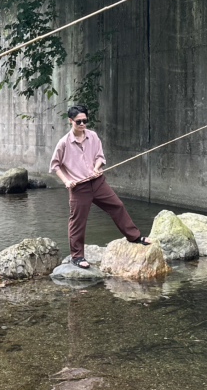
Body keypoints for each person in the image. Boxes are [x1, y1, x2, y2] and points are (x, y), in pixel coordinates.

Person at [49, 105, 150, 269]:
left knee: (117, 206)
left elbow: (100, 157)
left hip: (97, 183)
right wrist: (67, 181)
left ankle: (135, 237)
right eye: (78, 122)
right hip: (79, 188)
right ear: (70, 121)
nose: (82, 124)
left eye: (85, 121)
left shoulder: (93, 136)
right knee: (77, 222)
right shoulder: (63, 143)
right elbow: (55, 166)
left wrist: (96, 168)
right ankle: (77, 257)